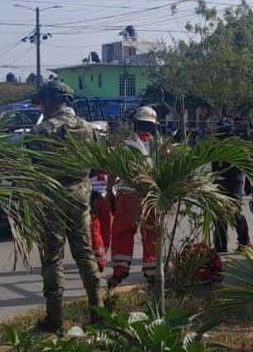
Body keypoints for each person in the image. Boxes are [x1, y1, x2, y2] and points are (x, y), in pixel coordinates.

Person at [30, 80, 102, 332]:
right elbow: (97, 166)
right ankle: (98, 312)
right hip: (81, 197)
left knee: (52, 258)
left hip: (52, 201)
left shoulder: (40, 132)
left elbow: (31, 168)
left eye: (42, 103)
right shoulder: (89, 129)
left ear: (50, 101)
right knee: (85, 253)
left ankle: (55, 319)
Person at [109, 106, 160, 288]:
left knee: (122, 232)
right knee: (151, 233)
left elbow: (113, 169)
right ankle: (152, 271)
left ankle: (120, 270)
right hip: (150, 197)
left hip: (127, 195)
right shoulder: (160, 146)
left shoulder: (124, 144)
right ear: (153, 126)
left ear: (135, 124)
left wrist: (109, 192)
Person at [212, 117, 251, 253]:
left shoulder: (237, 145)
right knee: (218, 215)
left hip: (235, 181)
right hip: (219, 182)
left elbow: (246, 166)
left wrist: (248, 185)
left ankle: (244, 242)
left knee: (234, 213)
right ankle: (220, 246)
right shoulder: (215, 145)